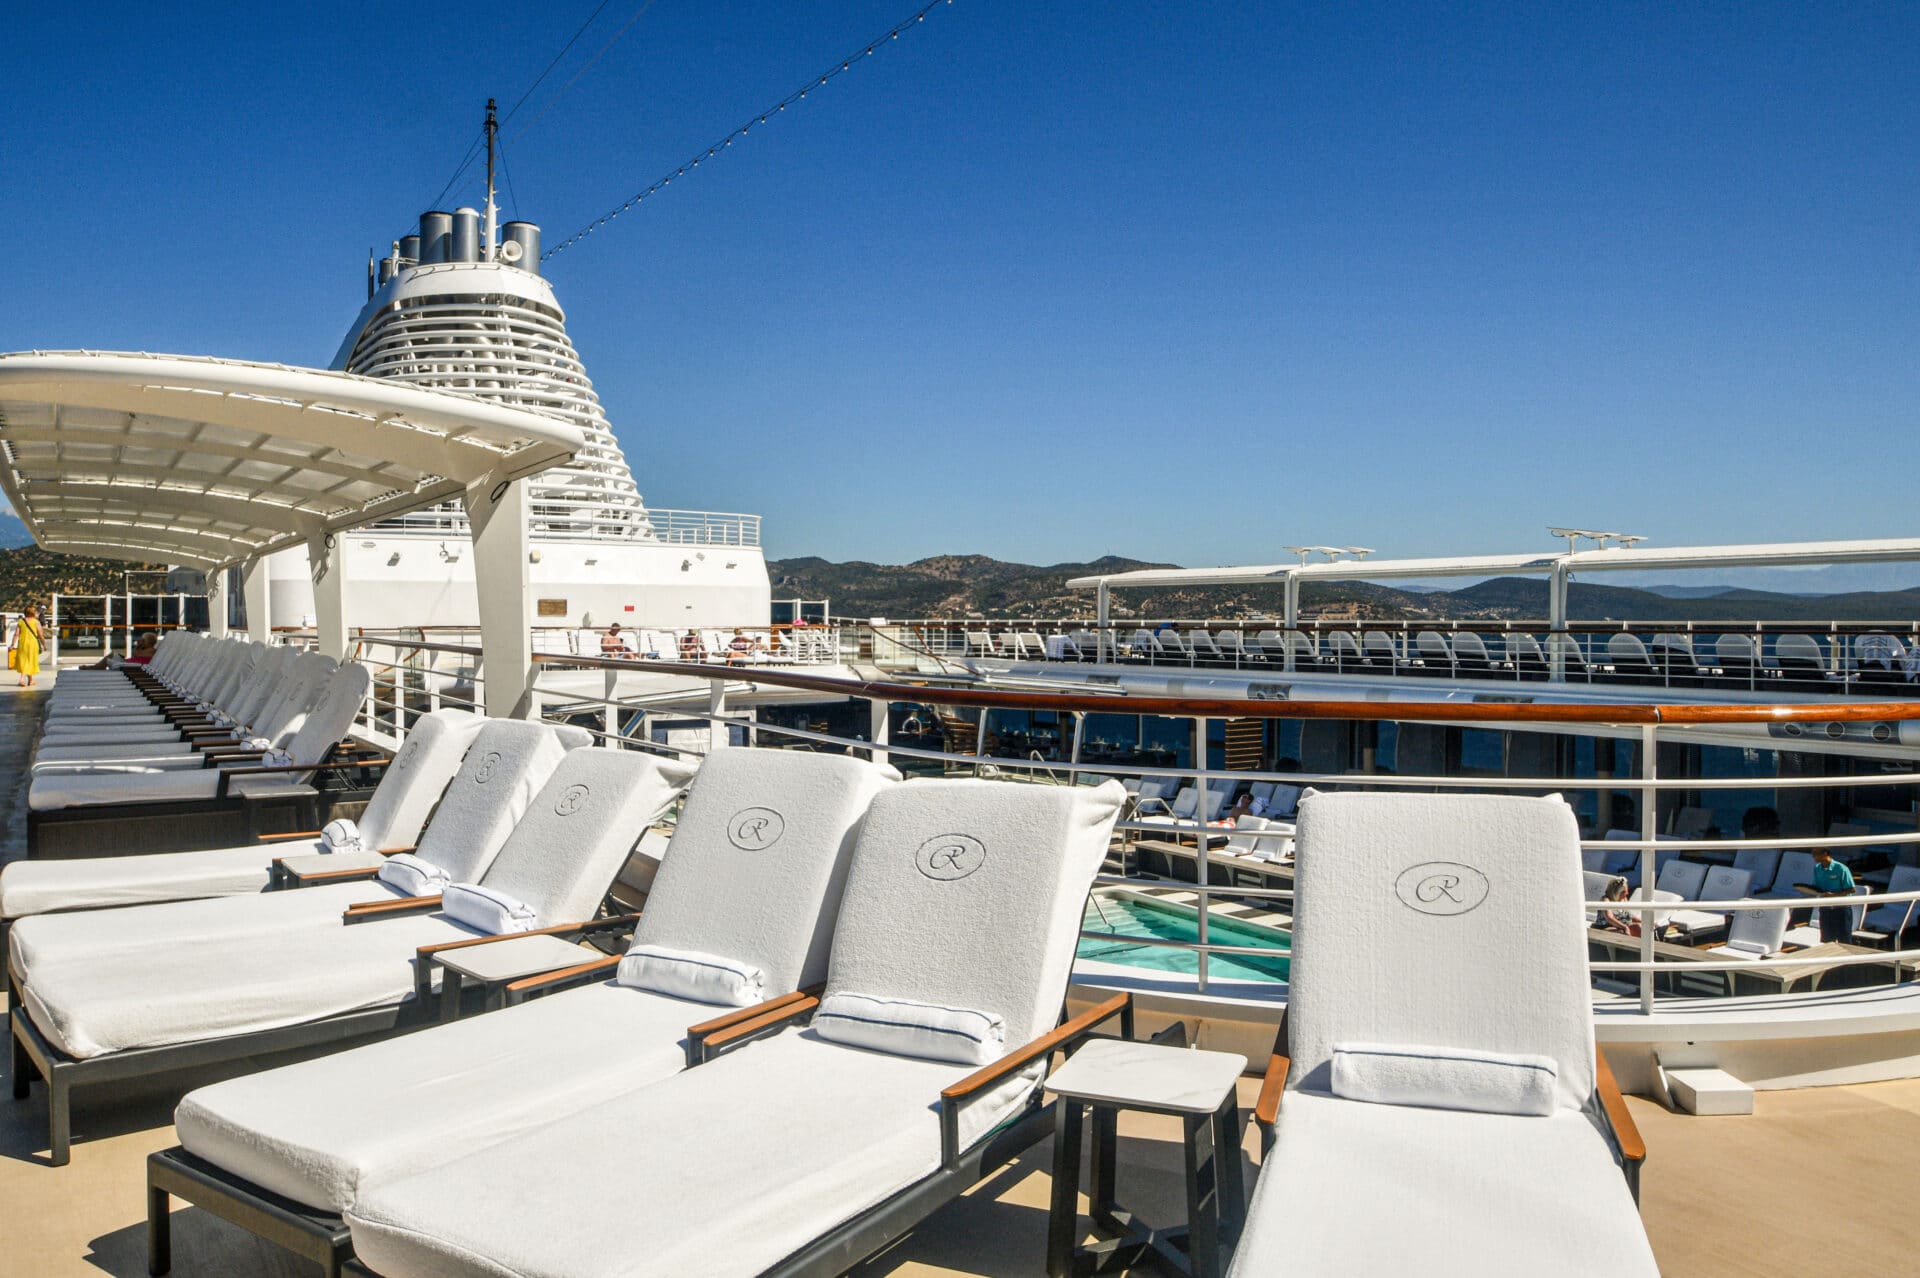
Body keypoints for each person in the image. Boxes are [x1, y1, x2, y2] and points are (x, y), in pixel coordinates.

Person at [1801, 846, 1858, 944]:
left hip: (1841, 909)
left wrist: (1834, 895)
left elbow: (1852, 889)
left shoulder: (1841, 868)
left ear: (1825, 853)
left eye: (1816, 854)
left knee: (1844, 941)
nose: (1813, 857)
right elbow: (1816, 887)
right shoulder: (1817, 868)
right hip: (1825, 908)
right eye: (1813, 854)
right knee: (1827, 940)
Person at [8, 604, 44, 687]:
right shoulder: (36, 622)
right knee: (30, 660)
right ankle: (22, 679)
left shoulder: (21, 621)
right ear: (33, 613)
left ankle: (31, 680)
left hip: (22, 644)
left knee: (25, 660)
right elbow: (40, 635)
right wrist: (44, 645)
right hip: (33, 644)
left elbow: (16, 634)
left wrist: (12, 645)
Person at [82, 630, 156, 670]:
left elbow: (136, 654)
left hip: (132, 665)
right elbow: (135, 654)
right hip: (128, 663)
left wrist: (138, 646)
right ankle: (95, 667)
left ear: (148, 642)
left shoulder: (152, 650)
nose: (141, 641)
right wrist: (139, 646)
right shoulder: (146, 649)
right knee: (112, 654)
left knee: (108, 659)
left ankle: (94, 668)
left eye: (143, 640)